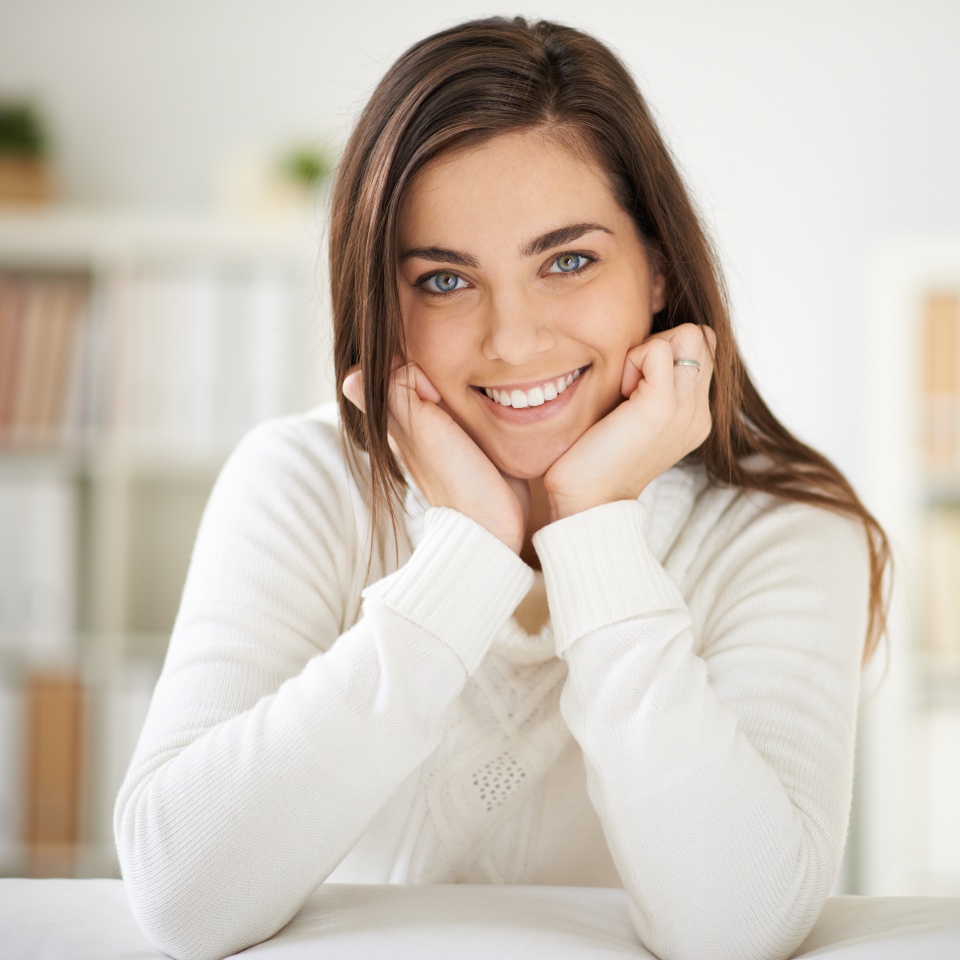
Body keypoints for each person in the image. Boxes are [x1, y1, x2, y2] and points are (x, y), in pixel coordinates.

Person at [115, 16, 891, 960]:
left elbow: (735, 928)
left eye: (567, 261)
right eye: (445, 280)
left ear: (657, 269)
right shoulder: (301, 483)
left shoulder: (782, 531)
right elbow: (182, 896)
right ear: (382, 303)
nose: (513, 341)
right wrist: (467, 552)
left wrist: (598, 526)